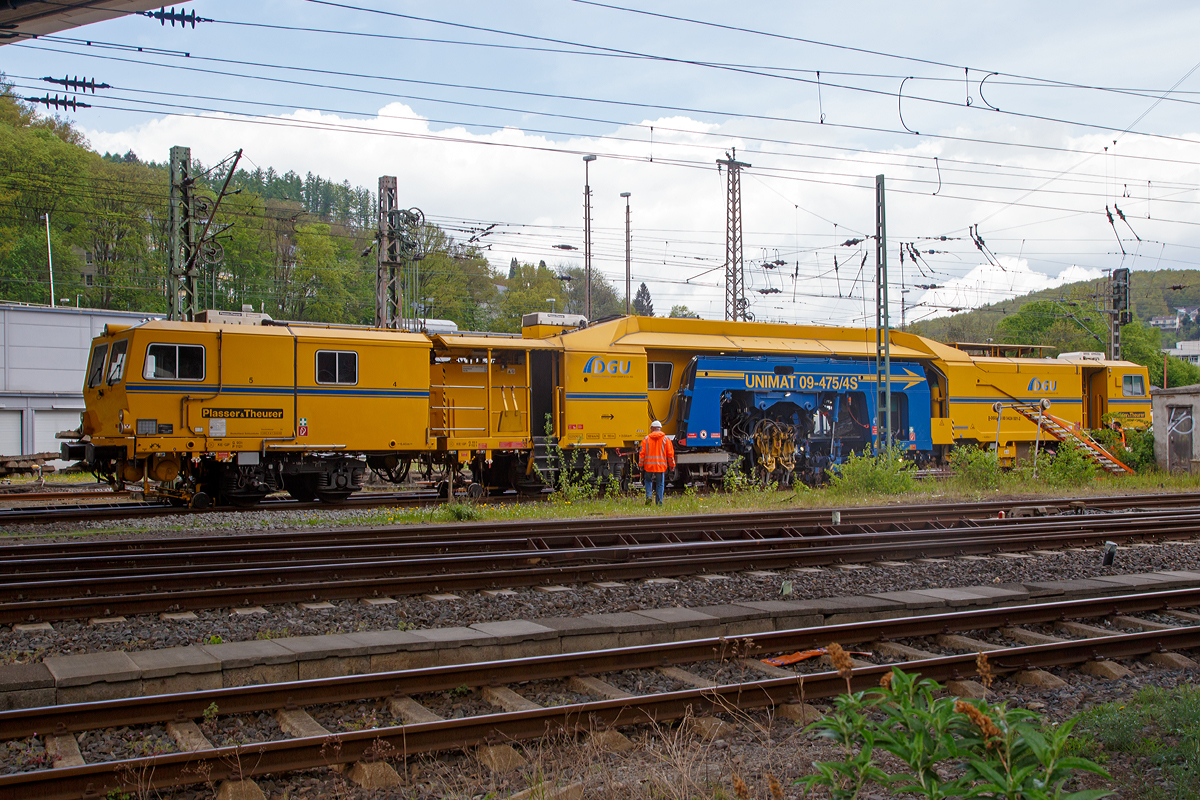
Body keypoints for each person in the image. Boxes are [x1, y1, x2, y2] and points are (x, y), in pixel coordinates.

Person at [638, 420, 676, 505]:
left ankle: (648, 497)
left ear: (652, 429)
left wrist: (640, 465)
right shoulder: (666, 440)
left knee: (648, 481)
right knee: (660, 484)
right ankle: (659, 502)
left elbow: (642, 454)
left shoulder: (646, 439)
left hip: (648, 466)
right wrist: (672, 465)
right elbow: (670, 454)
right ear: (660, 429)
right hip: (660, 466)